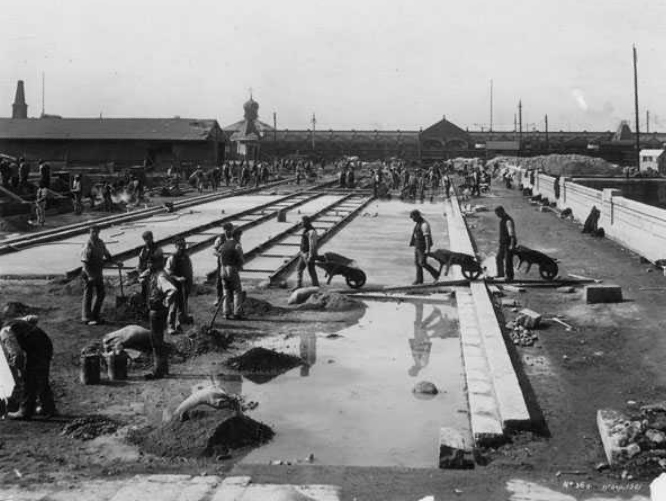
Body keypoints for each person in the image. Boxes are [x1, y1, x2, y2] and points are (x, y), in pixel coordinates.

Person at [0, 316, 56, 420]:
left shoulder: (5, 332)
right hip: (45, 343)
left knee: (29, 379)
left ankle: (25, 411)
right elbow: (33, 318)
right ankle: (48, 408)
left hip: (37, 349)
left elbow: (17, 355)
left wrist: (19, 371)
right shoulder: (13, 322)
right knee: (41, 378)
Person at [140, 254, 177, 379]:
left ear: (158, 263)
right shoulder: (155, 274)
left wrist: (166, 302)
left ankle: (158, 370)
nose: (148, 265)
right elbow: (141, 278)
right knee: (158, 340)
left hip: (157, 311)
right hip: (156, 311)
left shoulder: (160, 276)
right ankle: (163, 368)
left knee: (156, 341)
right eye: (148, 263)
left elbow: (172, 290)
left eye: (151, 263)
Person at [81, 226, 119, 325]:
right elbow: (84, 262)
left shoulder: (100, 243)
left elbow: (107, 255)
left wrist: (116, 262)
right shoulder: (88, 245)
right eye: (92, 232)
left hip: (98, 271)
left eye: (96, 232)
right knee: (88, 294)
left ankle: (95, 315)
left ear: (99, 232)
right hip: (88, 272)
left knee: (101, 293)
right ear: (89, 233)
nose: (94, 234)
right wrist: (89, 275)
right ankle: (86, 317)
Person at [165, 237, 193, 334]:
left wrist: (189, 282)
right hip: (174, 285)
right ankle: (170, 326)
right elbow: (168, 273)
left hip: (184, 285)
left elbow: (189, 270)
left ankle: (180, 323)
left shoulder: (186, 257)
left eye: (183, 245)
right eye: (180, 246)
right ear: (176, 246)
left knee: (183, 304)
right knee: (173, 306)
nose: (182, 247)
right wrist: (177, 278)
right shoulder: (172, 258)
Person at [218, 223, 245, 320]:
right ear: (236, 235)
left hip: (222, 269)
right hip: (231, 269)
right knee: (237, 291)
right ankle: (237, 313)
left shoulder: (224, 244)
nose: (240, 237)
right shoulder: (237, 245)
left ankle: (226, 313)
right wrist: (240, 266)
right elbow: (241, 260)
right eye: (239, 235)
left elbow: (220, 256)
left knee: (226, 291)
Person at [409, 209, 440, 285]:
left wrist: (427, 249)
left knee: (422, 263)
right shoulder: (418, 223)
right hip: (417, 246)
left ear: (417, 216)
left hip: (423, 247)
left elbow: (427, 237)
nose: (412, 219)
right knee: (417, 263)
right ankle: (419, 280)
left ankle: (436, 275)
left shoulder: (424, 224)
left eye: (413, 217)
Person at [137, 231, 163, 305]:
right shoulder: (143, 250)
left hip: (155, 272)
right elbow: (140, 263)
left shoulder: (157, 249)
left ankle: (154, 305)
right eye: (145, 239)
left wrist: (153, 267)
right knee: (144, 290)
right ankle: (144, 304)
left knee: (154, 292)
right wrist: (140, 272)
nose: (147, 240)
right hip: (145, 274)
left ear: (152, 238)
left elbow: (161, 263)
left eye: (148, 238)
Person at [295, 216, 319, 289]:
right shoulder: (305, 230)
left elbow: (312, 245)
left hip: (308, 254)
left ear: (307, 222)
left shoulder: (311, 231)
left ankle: (316, 286)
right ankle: (298, 285)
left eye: (303, 222)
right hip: (303, 253)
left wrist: (311, 255)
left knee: (311, 270)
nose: (301, 223)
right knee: (299, 268)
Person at [495, 206, 517, 282]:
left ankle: (509, 277)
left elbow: (512, 234)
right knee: (499, 258)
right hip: (503, 243)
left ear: (502, 211)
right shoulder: (502, 220)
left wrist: (512, 245)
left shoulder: (508, 221)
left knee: (508, 261)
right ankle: (500, 274)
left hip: (508, 243)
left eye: (498, 214)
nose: (497, 216)